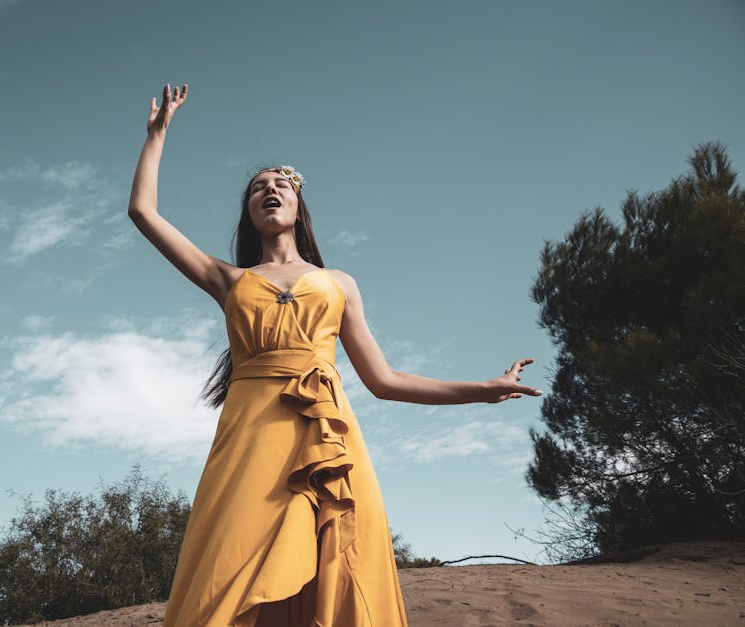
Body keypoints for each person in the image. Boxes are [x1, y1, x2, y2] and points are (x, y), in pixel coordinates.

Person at [127, 83, 543, 627]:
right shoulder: (228, 280)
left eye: (279, 184)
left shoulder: (337, 282)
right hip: (251, 433)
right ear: (249, 211)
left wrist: (483, 389)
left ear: (298, 207)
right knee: (226, 563)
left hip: (328, 434)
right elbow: (142, 211)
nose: (269, 189)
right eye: (257, 188)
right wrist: (157, 137)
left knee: (339, 562)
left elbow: (385, 380)